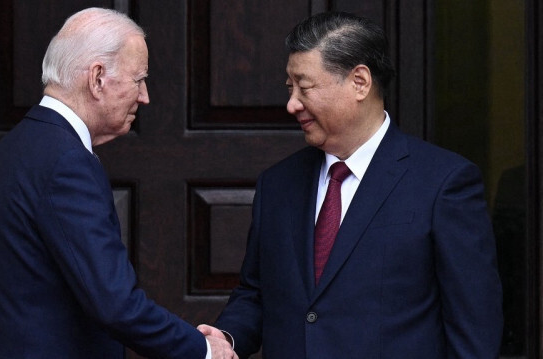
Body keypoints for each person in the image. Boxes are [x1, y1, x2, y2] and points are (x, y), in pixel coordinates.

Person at [198, 11, 503, 358]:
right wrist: (226, 339)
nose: (291, 104)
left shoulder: (443, 183)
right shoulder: (278, 184)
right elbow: (255, 293)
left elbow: (473, 327)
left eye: (305, 87)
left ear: (360, 82)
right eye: (290, 88)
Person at [0, 7, 237, 359]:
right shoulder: (66, 162)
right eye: (139, 80)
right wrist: (204, 351)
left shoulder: (14, 148)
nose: (145, 96)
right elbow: (115, 303)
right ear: (97, 78)